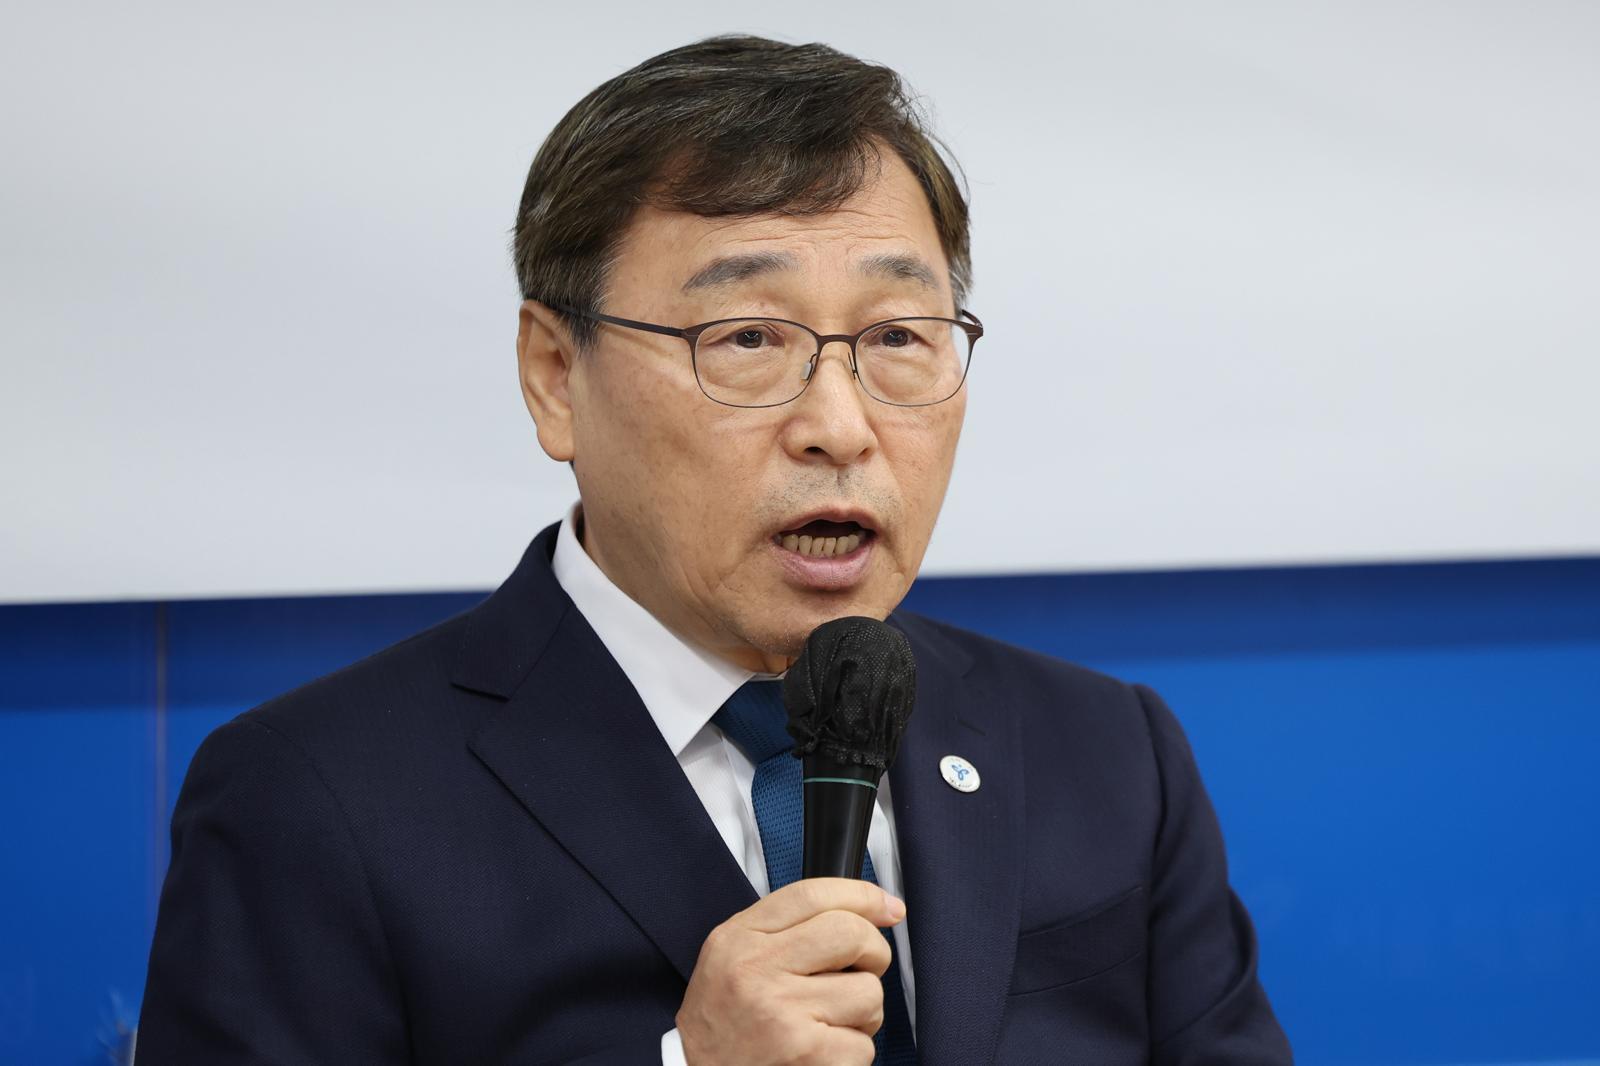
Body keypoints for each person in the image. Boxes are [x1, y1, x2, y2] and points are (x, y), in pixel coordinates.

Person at [137, 35, 1292, 1065]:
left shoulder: (1107, 754)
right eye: (746, 338)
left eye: (898, 335)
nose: (839, 425)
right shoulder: (318, 799)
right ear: (556, 377)